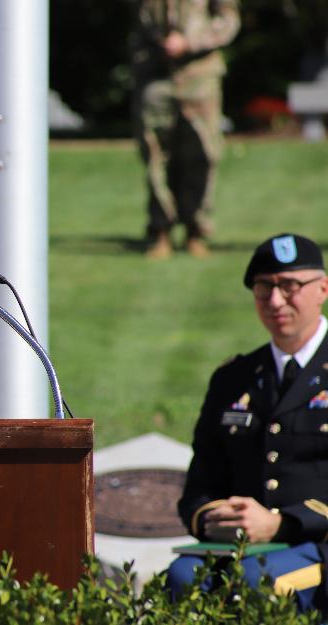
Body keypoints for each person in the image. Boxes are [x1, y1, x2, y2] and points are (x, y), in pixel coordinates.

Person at [170, 233, 328, 611]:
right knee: (181, 577)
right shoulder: (234, 377)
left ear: (322, 288)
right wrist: (213, 518)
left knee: (260, 582)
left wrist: (283, 524)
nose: (275, 301)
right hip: (240, 547)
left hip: (316, 543)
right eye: (263, 288)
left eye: (289, 287)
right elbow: (201, 483)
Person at [132, 0, 241, 259]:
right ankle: (160, 230)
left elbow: (229, 19)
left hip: (199, 75)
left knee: (203, 153)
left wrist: (191, 42)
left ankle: (196, 229)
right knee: (155, 155)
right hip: (154, 74)